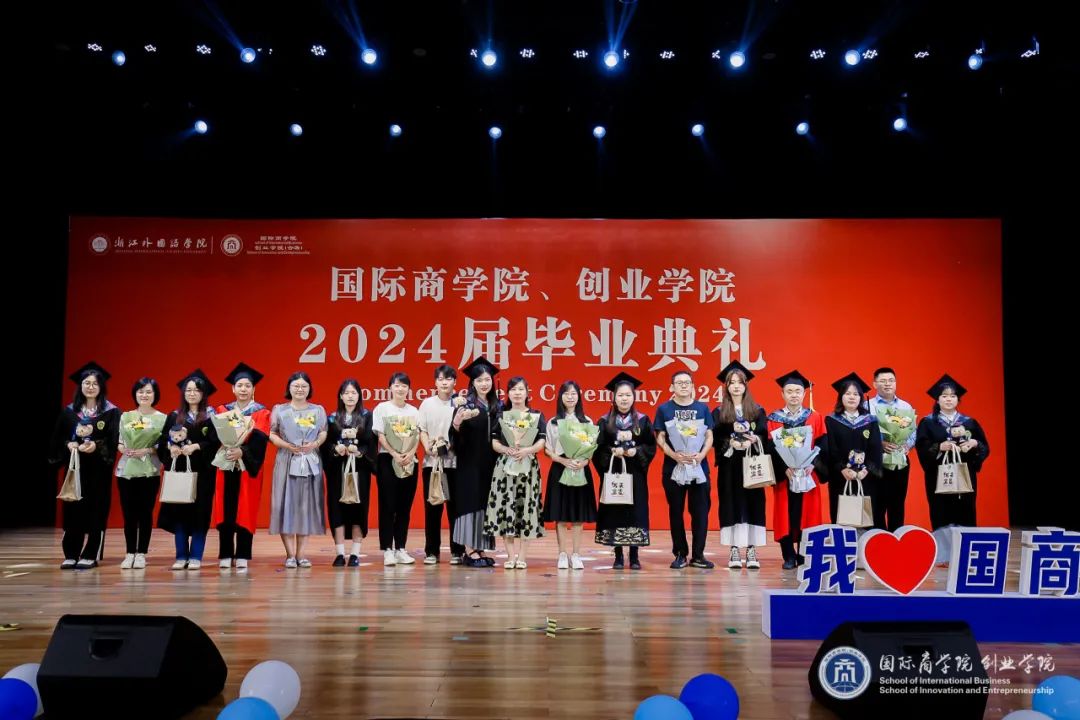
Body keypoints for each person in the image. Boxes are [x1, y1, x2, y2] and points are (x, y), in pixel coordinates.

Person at [48, 361, 120, 569]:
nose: (90, 387)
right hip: (75, 468)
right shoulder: (69, 412)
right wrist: (68, 445)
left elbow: (114, 441)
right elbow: (57, 439)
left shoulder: (111, 412)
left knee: (97, 510)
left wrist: (97, 446)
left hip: (98, 470)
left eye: (95, 383)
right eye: (86, 383)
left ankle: (90, 553)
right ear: (80, 386)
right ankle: (71, 553)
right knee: (73, 509)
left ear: (101, 387)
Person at [156, 369, 220, 570]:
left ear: (203, 394)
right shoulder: (174, 416)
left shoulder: (212, 417)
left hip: (203, 473)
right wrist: (171, 448)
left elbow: (217, 443)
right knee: (180, 513)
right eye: (188, 390)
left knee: (201, 514)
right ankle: (181, 556)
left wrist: (197, 446)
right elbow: (162, 441)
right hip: (180, 473)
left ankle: (196, 556)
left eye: (196, 390)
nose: (192, 394)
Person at [211, 362, 271, 571]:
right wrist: (228, 448)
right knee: (225, 508)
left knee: (246, 508)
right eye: (240, 385)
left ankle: (243, 553)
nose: (243, 389)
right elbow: (215, 437)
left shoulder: (261, 413)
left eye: (247, 386)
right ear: (233, 388)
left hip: (247, 467)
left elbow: (260, 441)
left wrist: (242, 452)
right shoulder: (222, 410)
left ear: (253, 389)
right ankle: (226, 553)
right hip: (226, 464)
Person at [593, 373, 656, 570]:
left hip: (635, 474)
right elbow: (597, 448)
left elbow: (650, 446)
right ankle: (618, 554)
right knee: (615, 510)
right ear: (614, 397)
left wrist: (636, 451)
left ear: (634, 397)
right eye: (620, 395)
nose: (624, 399)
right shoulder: (604, 421)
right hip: (613, 473)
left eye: (628, 395)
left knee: (636, 511)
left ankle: (634, 555)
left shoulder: (643, 421)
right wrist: (612, 452)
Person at [654, 370, 715, 569]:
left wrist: (702, 454)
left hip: (699, 467)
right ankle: (680, 553)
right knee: (676, 511)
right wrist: (674, 455)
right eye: (679, 382)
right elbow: (660, 437)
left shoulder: (702, 408)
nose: (683, 385)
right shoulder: (664, 409)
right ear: (672, 387)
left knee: (700, 512)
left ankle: (698, 555)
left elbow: (709, 435)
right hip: (674, 468)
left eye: (687, 382)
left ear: (692, 386)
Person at [711, 361, 769, 570]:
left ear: (746, 385)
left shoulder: (757, 410)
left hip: (751, 465)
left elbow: (764, 435)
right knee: (731, 504)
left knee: (754, 504)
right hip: (730, 466)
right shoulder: (719, 412)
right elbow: (715, 439)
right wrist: (730, 443)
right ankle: (734, 549)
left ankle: (752, 549)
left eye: (740, 382)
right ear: (726, 386)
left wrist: (754, 440)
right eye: (731, 382)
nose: (736, 386)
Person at [268, 371, 327, 568]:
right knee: (285, 505)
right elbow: (272, 433)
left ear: (309, 389)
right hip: (286, 460)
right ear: (289, 388)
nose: (300, 389)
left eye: (304, 386)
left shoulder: (318, 410)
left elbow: (323, 432)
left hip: (309, 461)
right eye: (296, 386)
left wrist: (315, 444)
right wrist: (286, 445)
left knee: (304, 507)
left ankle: (301, 555)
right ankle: (290, 555)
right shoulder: (280, 410)